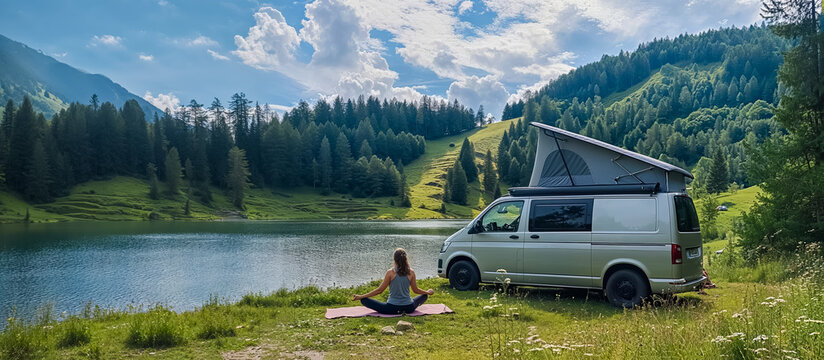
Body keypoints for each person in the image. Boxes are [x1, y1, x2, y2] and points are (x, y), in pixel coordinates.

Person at [352, 248, 434, 314]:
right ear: (406, 259)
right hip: (409, 307)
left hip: (391, 308)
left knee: (364, 300)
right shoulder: (411, 272)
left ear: (394, 259)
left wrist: (361, 296)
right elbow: (416, 290)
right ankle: (421, 298)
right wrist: (427, 292)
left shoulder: (390, 272)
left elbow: (380, 290)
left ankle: (363, 298)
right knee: (424, 296)